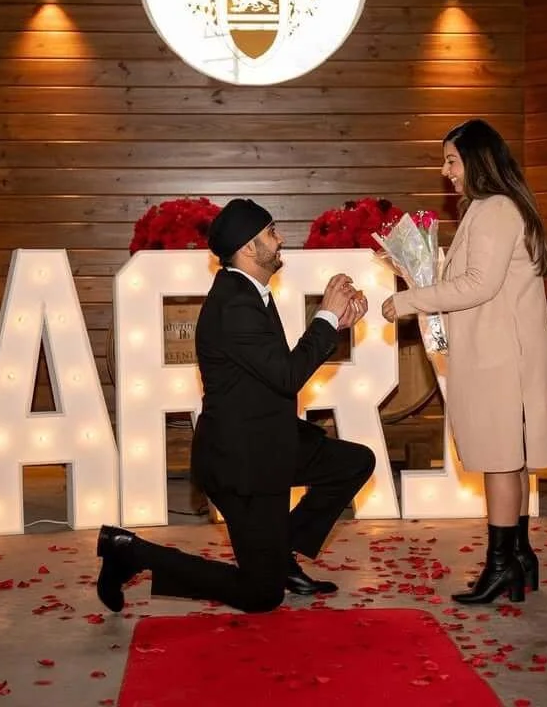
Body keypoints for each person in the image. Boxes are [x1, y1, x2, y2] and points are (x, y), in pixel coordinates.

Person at [95, 198, 375, 614]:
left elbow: (272, 372)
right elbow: (286, 375)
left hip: (271, 440)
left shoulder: (250, 291)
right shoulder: (235, 304)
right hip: (239, 462)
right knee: (261, 595)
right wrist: (326, 318)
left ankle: (279, 550)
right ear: (248, 248)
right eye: (272, 233)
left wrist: (335, 324)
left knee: (354, 462)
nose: (281, 240)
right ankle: (129, 552)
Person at [381, 119, 547, 605]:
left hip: (502, 357)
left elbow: (479, 284)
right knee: (511, 460)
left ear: (478, 160)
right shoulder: (493, 208)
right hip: (502, 351)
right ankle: (519, 557)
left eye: (452, 160)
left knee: (501, 461)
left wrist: (412, 299)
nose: (446, 170)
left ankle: (501, 567)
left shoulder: (495, 208)